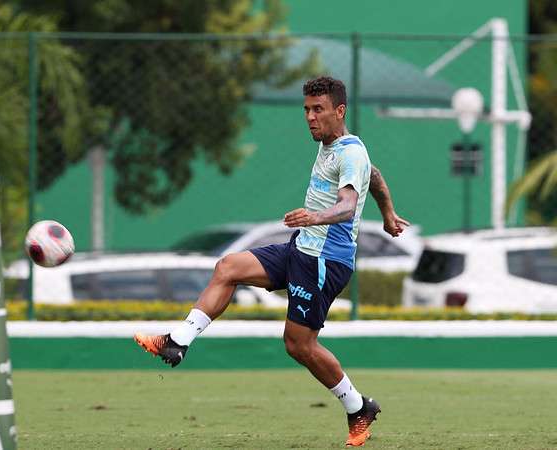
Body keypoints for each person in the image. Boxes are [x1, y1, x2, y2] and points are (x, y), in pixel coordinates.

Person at [134, 76, 409, 447]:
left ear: (339, 111)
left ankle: (358, 407)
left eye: (318, 110)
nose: (310, 117)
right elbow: (373, 176)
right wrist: (388, 213)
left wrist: (316, 216)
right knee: (228, 267)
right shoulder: (337, 148)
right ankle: (177, 341)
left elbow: (346, 207)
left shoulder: (349, 153)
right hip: (302, 248)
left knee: (299, 346)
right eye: (307, 110)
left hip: (325, 261)